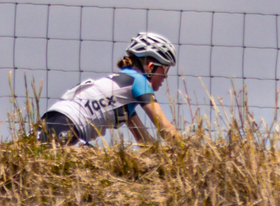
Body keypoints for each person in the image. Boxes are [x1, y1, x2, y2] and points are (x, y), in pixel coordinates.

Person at [38, 31, 179, 148]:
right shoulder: (139, 81)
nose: (165, 76)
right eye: (165, 68)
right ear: (150, 66)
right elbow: (165, 129)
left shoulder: (123, 93)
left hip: (54, 119)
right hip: (68, 123)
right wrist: (191, 153)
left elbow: (145, 142)